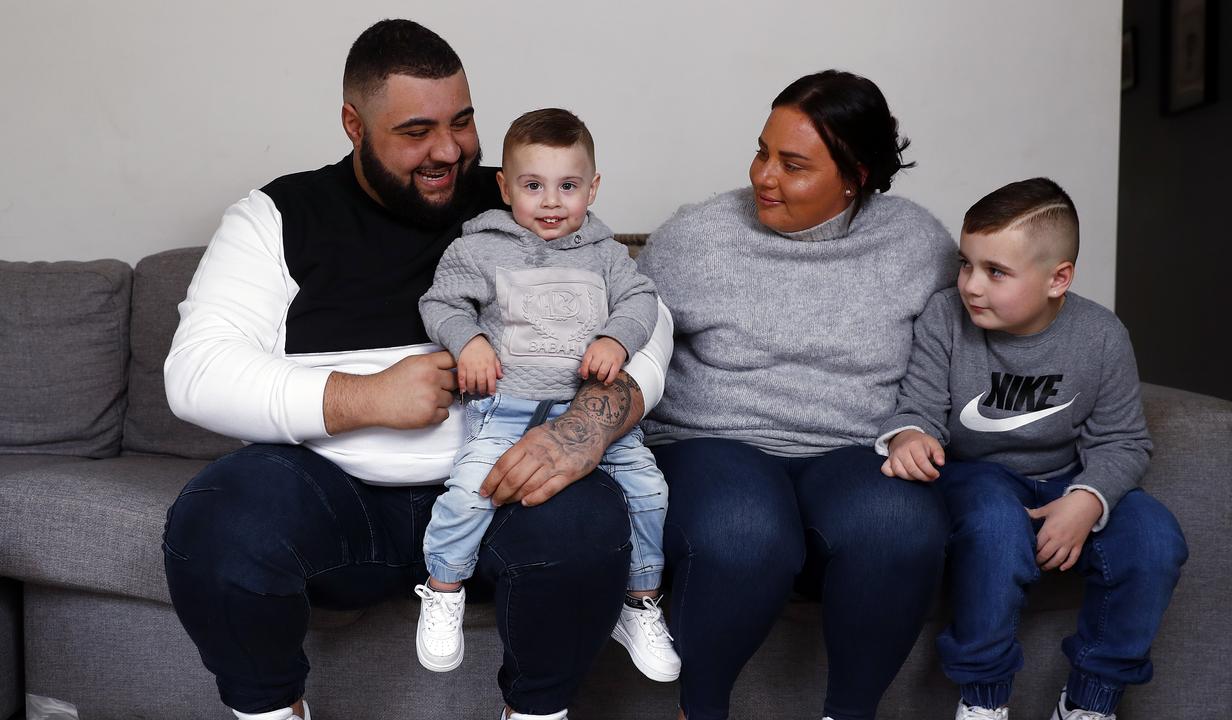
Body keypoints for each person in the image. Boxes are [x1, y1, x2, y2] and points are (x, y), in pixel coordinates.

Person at [161, 20, 672, 720]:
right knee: (217, 518)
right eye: (415, 130)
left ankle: (537, 712)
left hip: (503, 488)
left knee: (590, 524)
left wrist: (589, 424)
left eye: (462, 122)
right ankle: (272, 711)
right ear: (353, 123)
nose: (447, 150)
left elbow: (645, 312)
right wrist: (361, 398)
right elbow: (195, 373)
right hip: (335, 495)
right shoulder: (278, 215)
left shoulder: (520, 197)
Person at [636, 70, 957, 720]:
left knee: (902, 527)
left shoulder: (918, 245)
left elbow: (962, 348)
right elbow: (625, 344)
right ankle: (697, 711)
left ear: (856, 175)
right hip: (712, 442)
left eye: (793, 164)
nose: (764, 176)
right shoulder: (697, 238)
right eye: (761, 151)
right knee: (746, 534)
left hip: (853, 449)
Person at [876, 177, 1188, 720]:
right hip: (974, 476)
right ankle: (983, 700)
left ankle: (1089, 703)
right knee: (996, 528)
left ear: (1058, 279)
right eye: (966, 263)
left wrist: (1087, 498)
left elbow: (1124, 441)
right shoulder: (944, 318)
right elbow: (918, 407)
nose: (972, 285)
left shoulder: (1101, 335)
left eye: (996, 272)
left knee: (1155, 539)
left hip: (1065, 475)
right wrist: (909, 436)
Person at [414, 108, 679, 683]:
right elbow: (440, 305)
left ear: (593, 187)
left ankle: (639, 602)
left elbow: (642, 303)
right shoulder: (479, 249)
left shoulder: (607, 255)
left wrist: (615, 336)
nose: (552, 203)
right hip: (507, 407)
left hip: (595, 415)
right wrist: (471, 343)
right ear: (505, 187)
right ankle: (443, 588)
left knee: (651, 491)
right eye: (533, 186)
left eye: (569, 186)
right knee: (470, 491)